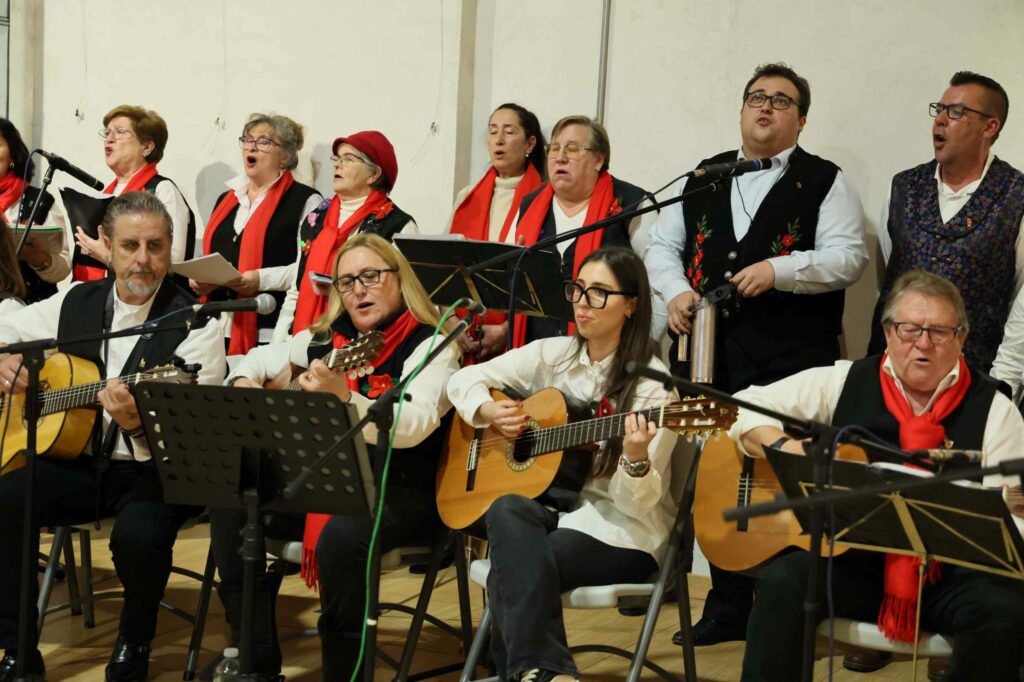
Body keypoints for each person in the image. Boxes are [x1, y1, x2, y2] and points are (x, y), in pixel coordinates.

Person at [644, 62, 867, 647]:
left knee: (779, 481)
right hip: (709, 358)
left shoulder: (826, 180)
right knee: (717, 477)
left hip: (790, 361)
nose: (766, 107)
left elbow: (849, 257)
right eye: (756, 97)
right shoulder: (704, 176)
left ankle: (784, 606)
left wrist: (780, 270)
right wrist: (676, 291)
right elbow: (662, 247)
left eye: (781, 100)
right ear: (742, 109)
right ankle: (726, 606)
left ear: (802, 119)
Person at [732, 270, 1024, 682]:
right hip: (854, 564)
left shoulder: (995, 409)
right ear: (887, 332)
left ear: (962, 337)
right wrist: (786, 448)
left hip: (949, 575)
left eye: (939, 332)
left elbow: (1011, 524)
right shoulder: (843, 380)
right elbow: (742, 406)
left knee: (1004, 610)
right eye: (909, 329)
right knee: (784, 580)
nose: (923, 343)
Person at [0, 191, 226, 682]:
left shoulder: (197, 323)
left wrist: (135, 424)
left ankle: (133, 643)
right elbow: (5, 324)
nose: (143, 260)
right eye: (130, 246)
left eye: (155, 246)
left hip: (158, 470)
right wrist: (5, 356)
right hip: (79, 460)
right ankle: (18, 650)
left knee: (137, 537)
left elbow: (193, 437)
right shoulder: (77, 301)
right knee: (5, 498)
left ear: (170, 247)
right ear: (106, 243)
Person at [217, 233, 458, 679]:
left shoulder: (431, 344)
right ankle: (255, 658)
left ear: (400, 279)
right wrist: (243, 383)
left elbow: (413, 426)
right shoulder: (327, 339)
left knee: (342, 537)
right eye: (347, 282)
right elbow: (255, 358)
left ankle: (343, 672)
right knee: (233, 499)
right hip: (328, 480)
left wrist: (344, 399)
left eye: (370, 276)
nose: (358, 291)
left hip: (401, 488)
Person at [446, 247, 678, 682]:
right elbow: (464, 377)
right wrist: (488, 410)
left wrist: (634, 457)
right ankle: (543, 671)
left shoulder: (653, 389)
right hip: (558, 510)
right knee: (506, 509)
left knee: (515, 565)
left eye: (599, 293)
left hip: (620, 529)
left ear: (631, 305)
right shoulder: (554, 354)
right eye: (578, 289)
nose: (582, 303)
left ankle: (529, 671)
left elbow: (636, 505)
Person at [869, 72, 1024, 389]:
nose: (939, 120)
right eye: (939, 109)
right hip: (890, 371)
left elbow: (1020, 304)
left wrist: (1004, 384)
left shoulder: (1016, 196)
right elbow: (887, 274)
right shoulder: (903, 187)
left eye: (955, 112)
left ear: (990, 127)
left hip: (973, 377)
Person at [508, 115, 658, 347]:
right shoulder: (528, 206)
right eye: (554, 148)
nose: (560, 157)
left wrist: (636, 347)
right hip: (536, 352)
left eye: (572, 149)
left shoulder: (634, 204)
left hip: (608, 352)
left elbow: (656, 288)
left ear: (598, 159)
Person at [190, 113, 321, 355]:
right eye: (248, 140)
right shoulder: (226, 199)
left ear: (285, 156)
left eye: (263, 142)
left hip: (267, 330)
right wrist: (202, 279)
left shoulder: (305, 200)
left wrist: (261, 279)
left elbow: (307, 268)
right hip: (216, 328)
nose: (252, 147)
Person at [272, 131, 417, 342]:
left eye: (348, 159)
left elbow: (408, 296)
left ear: (374, 173)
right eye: (337, 158)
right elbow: (297, 287)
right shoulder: (315, 219)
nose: (337, 165)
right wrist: (280, 339)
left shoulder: (398, 225)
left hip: (365, 341)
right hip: (304, 334)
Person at [447, 103, 545, 361]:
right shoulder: (467, 196)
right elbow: (444, 265)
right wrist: (451, 322)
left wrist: (507, 329)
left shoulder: (544, 199)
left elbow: (544, 282)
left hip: (519, 341)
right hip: (461, 332)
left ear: (530, 143)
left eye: (509, 132)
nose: (499, 140)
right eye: (492, 131)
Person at [73, 104, 196, 280]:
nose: (109, 139)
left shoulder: (162, 190)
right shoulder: (105, 194)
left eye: (120, 132)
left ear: (147, 147)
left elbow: (173, 261)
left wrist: (109, 257)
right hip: (100, 290)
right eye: (107, 133)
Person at [0, 118, 70, 303]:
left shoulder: (40, 201)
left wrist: (36, 257)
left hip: (28, 308)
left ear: (12, 155)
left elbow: (63, 267)